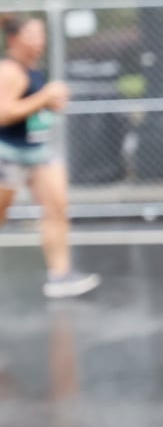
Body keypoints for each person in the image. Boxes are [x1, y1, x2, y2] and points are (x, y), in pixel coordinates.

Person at [0, 15, 99, 299]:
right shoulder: (9, 71)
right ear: (14, 39)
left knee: (56, 208)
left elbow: (33, 108)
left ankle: (61, 276)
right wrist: (44, 98)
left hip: (39, 151)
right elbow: (4, 113)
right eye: (32, 34)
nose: (39, 40)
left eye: (41, 34)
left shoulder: (33, 71)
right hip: (9, 153)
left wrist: (50, 104)